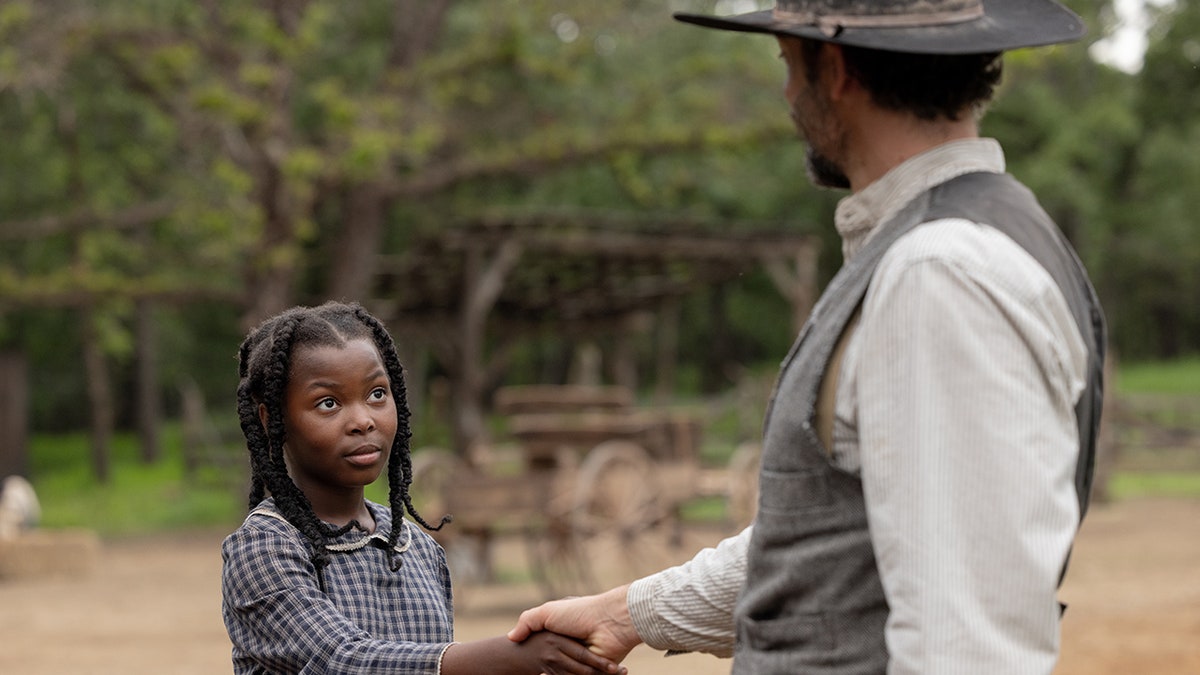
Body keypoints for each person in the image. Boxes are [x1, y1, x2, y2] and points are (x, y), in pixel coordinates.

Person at [508, 1, 1106, 673]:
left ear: (838, 69)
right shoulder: (950, 246)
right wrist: (630, 611)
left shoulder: (937, 275)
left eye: (789, 67)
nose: (788, 95)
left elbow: (964, 642)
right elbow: (835, 541)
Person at [222, 301, 626, 675]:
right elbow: (342, 660)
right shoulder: (264, 547)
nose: (363, 420)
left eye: (377, 394)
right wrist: (518, 655)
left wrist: (559, 659)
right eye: (328, 403)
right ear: (269, 419)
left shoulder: (417, 547)